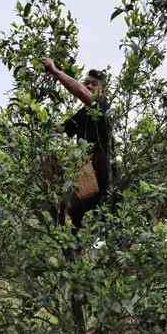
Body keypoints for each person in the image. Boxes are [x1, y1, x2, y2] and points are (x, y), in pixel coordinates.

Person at [43, 58, 112, 231]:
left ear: (102, 90)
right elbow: (58, 129)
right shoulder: (82, 114)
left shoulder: (102, 105)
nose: (88, 86)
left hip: (100, 178)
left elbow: (81, 93)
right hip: (84, 176)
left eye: (94, 84)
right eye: (86, 83)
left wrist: (56, 71)